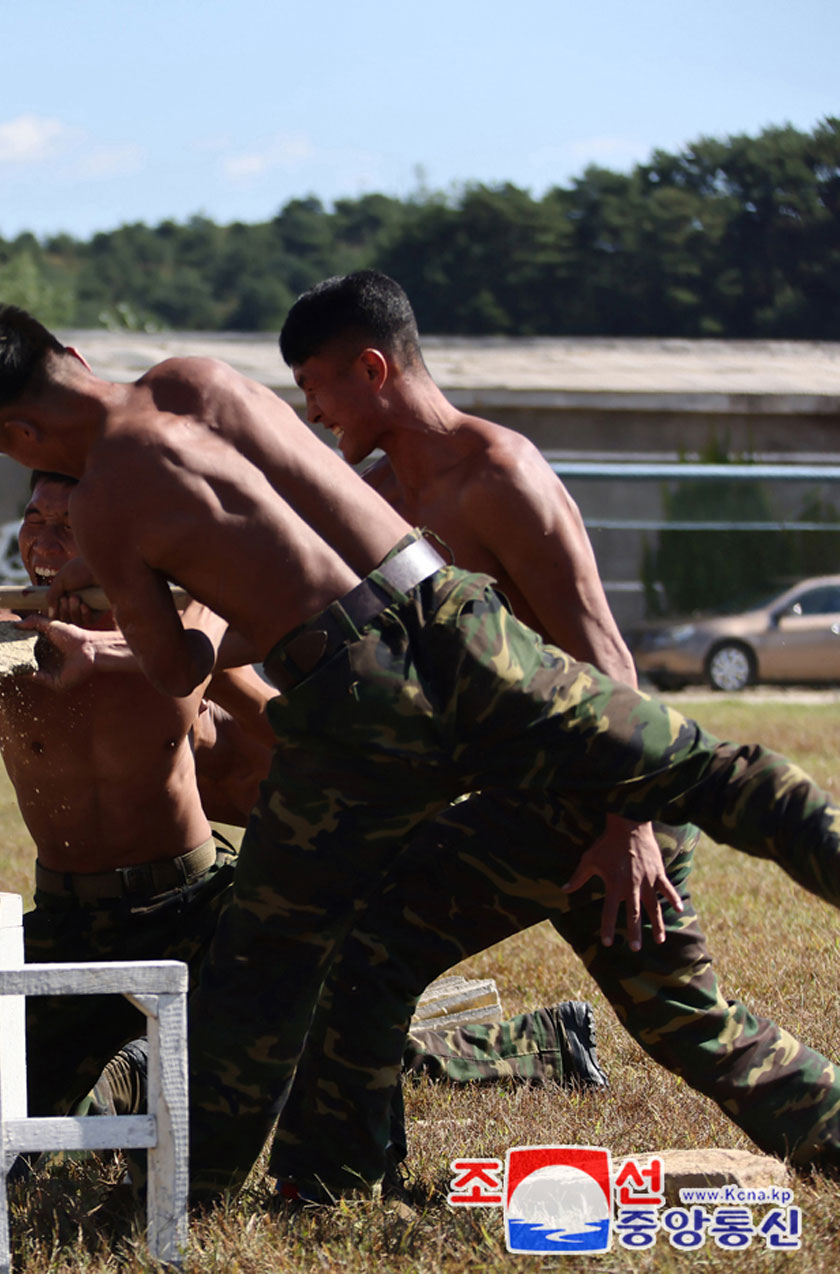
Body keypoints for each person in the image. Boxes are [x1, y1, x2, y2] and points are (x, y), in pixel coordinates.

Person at [0, 302, 840, 1202]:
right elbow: (303, 540)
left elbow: (178, 667)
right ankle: (330, 1168)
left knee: (263, 966)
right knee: (707, 770)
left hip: (355, 704)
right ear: (75, 354)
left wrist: (146, 616)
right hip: (449, 619)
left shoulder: (104, 504)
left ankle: (178, 1196)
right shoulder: (196, 380)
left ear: (18, 431)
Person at [267, 271, 840, 1198]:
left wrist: (632, 828)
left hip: (602, 799)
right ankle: (331, 1175)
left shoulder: (499, 478)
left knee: (686, 1025)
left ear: (372, 369)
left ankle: (329, 1176)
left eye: (315, 387)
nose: (310, 411)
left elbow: (607, 653)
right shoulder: (374, 492)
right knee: (377, 947)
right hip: (521, 803)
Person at [0, 472, 603, 1151]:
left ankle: (526, 1047)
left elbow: (285, 736)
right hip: (70, 922)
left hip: (195, 906)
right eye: (35, 516)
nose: (46, 535)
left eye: (69, 522)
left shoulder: (178, 634)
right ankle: (146, 1064)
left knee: (284, 1047)